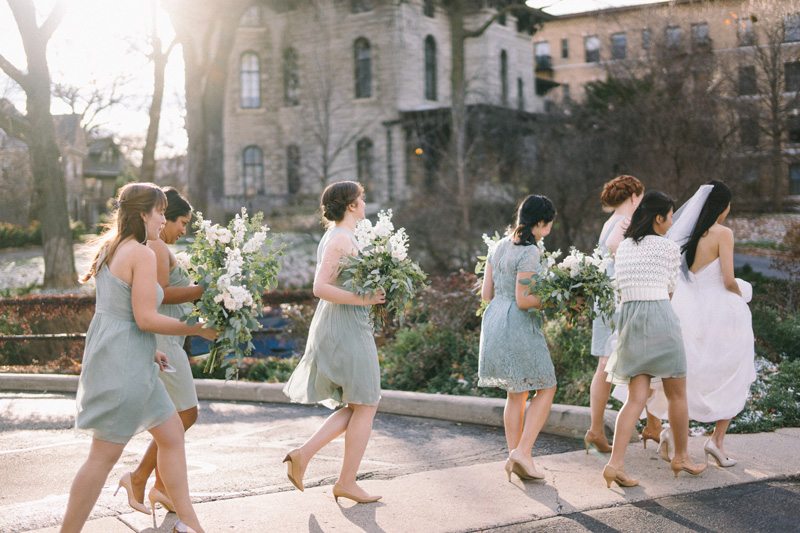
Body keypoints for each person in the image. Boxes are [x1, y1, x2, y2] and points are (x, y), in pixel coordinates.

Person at [61, 183, 216, 533]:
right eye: (160, 211)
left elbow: (121, 314)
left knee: (173, 435)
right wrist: (197, 328)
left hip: (126, 356)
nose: (163, 219)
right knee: (102, 457)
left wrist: (154, 349)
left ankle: (189, 524)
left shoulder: (111, 247)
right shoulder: (142, 254)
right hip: (125, 365)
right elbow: (146, 317)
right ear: (143, 213)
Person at [281, 181, 386, 504]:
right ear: (351, 206)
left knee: (360, 403)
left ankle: (305, 456)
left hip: (350, 323)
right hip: (343, 325)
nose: (365, 204)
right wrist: (363, 298)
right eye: (362, 199)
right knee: (366, 402)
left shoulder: (345, 236)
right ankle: (346, 481)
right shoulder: (340, 237)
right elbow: (319, 287)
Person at [602, 191, 706, 488]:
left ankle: (615, 464)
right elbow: (670, 291)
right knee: (677, 394)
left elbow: (621, 289)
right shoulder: (668, 248)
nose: (673, 222)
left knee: (636, 398)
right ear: (659, 218)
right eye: (670, 216)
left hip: (631, 322)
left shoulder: (623, 249)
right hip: (660, 317)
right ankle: (681, 456)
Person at [663, 181, 756, 467]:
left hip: (690, 310)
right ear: (723, 206)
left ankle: (670, 431)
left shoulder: (688, 236)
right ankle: (716, 441)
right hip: (720, 312)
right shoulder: (722, 234)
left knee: (690, 373)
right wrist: (747, 290)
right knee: (734, 372)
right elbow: (728, 280)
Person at [128, 187, 205, 515]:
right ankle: (142, 477)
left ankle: (160, 487)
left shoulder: (159, 246)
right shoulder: (157, 247)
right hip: (162, 340)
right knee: (185, 414)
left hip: (168, 340)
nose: (183, 230)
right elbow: (158, 295)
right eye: (181, 223)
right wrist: (203, 290)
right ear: (166, 216)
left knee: (171, 417)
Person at [478, 195, 558, 481]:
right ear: (540, 223)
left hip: (495, 319)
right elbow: (525, 300)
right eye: (548, 224)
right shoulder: (529, 251)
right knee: (547, 387)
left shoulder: (498, 246)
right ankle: (523, 452)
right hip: (518, 323)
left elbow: (486, 294)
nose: (548, 229)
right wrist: (554, 298)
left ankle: (516, 456)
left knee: (516, 394)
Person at [585, 176, 664, 453]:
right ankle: (606, 429)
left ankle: (599, 429)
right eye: (640, 198)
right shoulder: (622, 224)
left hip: (606, 300)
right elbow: (618, 252)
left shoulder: (610, 223)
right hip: (617, 302)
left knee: (606, 366)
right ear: (633, 196)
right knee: (633, 363)